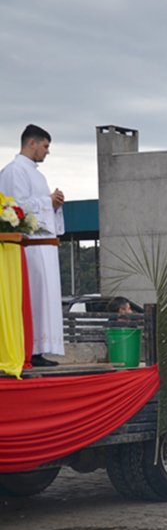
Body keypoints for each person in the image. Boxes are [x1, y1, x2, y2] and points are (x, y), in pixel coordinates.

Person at [0, 125, 64, 367]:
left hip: (43, 244)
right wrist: (47, 201)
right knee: (33, 295)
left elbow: (33, 206)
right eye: (45, 146)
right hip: (29, 246)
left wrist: (54, 205)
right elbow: (14, 208)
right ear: (32, 143)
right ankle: (30, 348)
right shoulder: (14, 171)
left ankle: (39, 348)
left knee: (44, 295)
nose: (47, 152)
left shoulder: (36, 174)